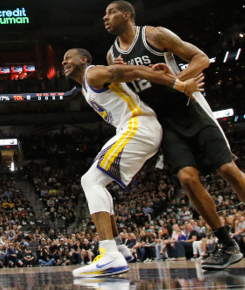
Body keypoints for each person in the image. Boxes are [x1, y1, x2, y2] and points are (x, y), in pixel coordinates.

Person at [104, 0, 245, 269]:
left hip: (191, 109)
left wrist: (179, 78)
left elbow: (201, 58)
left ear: (127, 15)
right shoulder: (113, 56)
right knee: (186, 178)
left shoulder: (153, 35)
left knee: (229, 170)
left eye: (111, 12)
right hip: (166, 123)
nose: (106, 18)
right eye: (105, 14)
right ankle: (227, 245)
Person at [62, 48, 203, 277]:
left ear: (84, 59)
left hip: (138, 125)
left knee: (91, 180)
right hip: (133, 128)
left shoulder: (92, 73)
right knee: (95, 182)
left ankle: (110, 254)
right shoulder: (87, 85)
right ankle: (118, 247)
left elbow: (137, 70)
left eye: (69, 57)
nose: (64, 61)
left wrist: (179, 84)